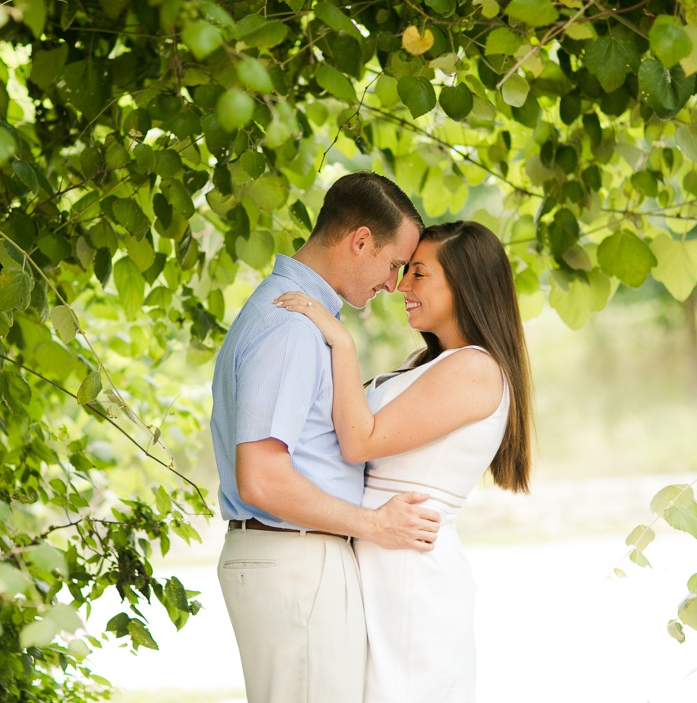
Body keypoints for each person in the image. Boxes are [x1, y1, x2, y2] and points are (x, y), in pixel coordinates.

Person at [275, 219, 534, 702]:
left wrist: (341, 342)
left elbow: (360, 442)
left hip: (412, 576)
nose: (401, 287)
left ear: (465, 283)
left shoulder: (475, 368)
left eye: (419, 274)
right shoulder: (432, 363)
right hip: (381, 562)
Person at [211, 171, 442, 703]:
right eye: (392, 265)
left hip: (291, 561)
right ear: (360, 240)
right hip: (297, 564)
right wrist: (376, 524)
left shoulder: (284, 312)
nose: (392, 284)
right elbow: (262, 478)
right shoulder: (292, 327)